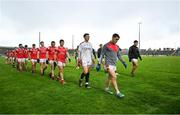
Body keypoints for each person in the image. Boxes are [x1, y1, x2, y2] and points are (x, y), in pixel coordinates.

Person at [99, 33, 127, 98]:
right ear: (112, 37)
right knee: (114, 77)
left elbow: (119, 56)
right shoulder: (106, 45)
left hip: (114, 65)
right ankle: (118, 92)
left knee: (109, 78)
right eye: (116, 39)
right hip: (108, 64)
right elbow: (102, 55)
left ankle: (106, 88)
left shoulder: (117, 47)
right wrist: (99, 64)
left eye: (118, 40)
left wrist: (124, 62)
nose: (116, 41)